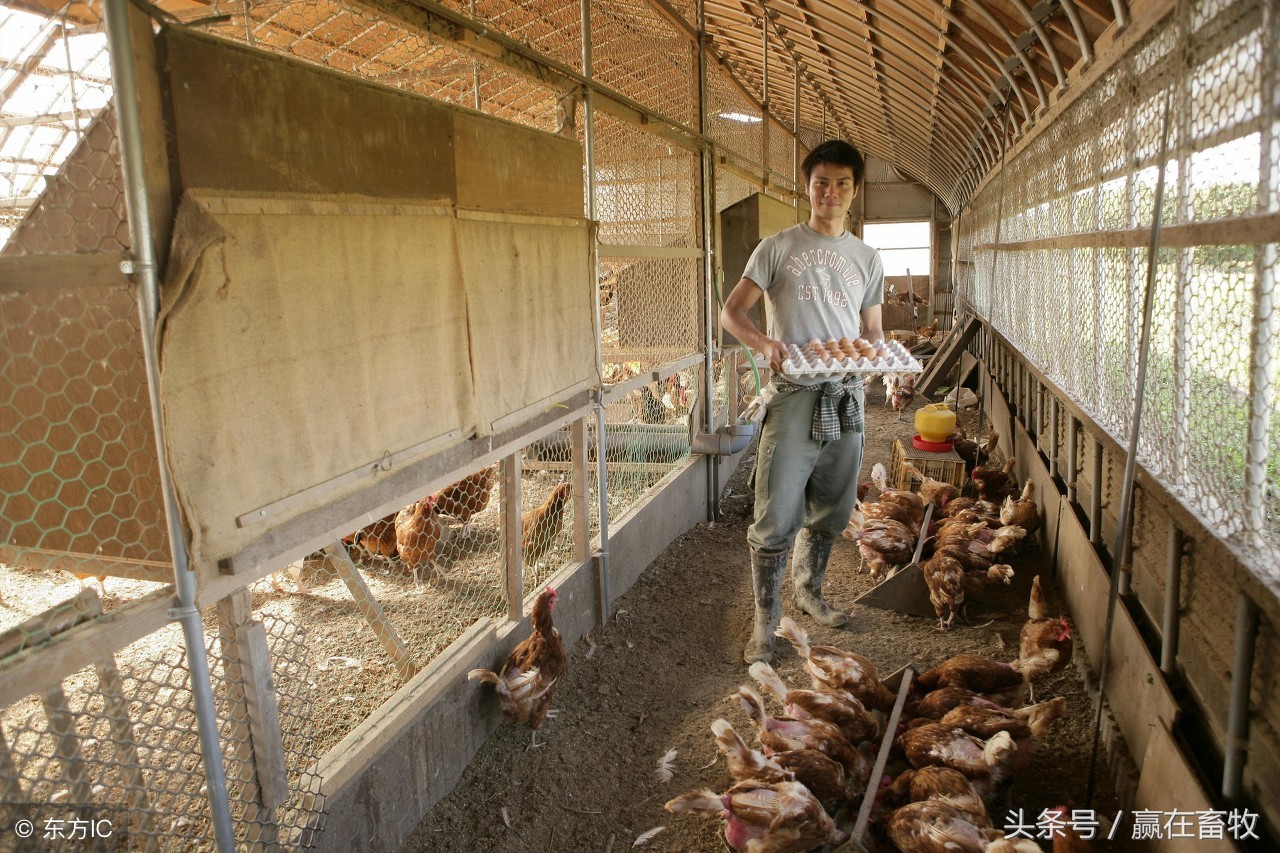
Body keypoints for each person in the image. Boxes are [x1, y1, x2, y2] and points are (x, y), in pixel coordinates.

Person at [720, 139, 885, 663]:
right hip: (794, 394)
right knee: (774, 505)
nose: (829, 193)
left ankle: (809, 590)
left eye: (840, 184)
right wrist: (765, 343)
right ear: (807, 186)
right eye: (820, 183)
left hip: (847, 394)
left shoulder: (867, 257)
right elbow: (731, 311)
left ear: (853, 191)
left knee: (834, 502)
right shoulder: (776, 247)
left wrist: (878, 357)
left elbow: (873, 330)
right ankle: (764, 622)